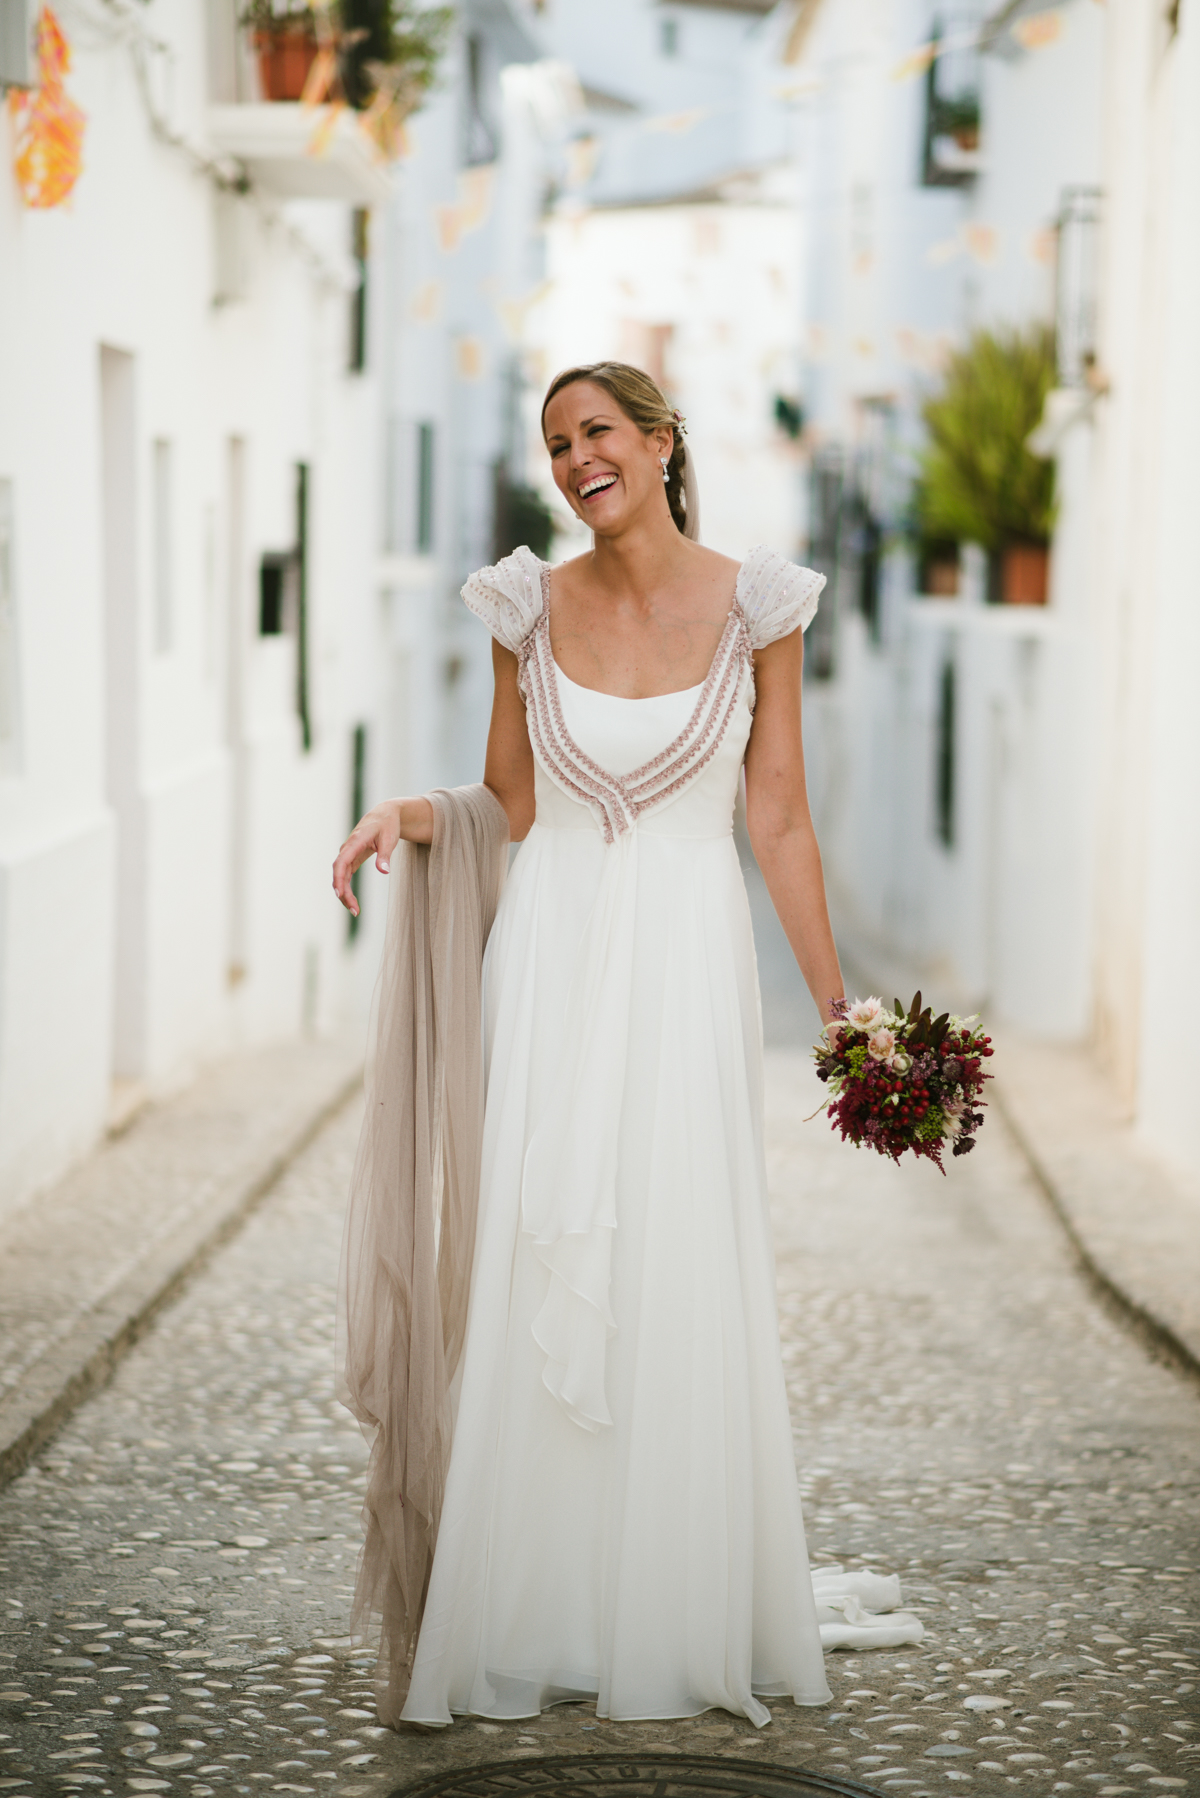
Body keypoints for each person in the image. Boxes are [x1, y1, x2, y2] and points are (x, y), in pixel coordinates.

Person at [332, 362, 921, 1731]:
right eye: (556, 444)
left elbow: (777, 818)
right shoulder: (523, 605)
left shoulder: (759, 604)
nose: (575, 459)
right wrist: (407, 815)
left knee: (672, 1253)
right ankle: (534, 1602)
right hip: (552, 957)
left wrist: (844, 1014)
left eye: (597, 432)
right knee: (545, 1250)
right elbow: (511, 800)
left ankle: (671, 1601)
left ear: (661, 442)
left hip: (686, 968)